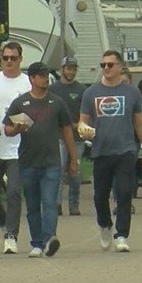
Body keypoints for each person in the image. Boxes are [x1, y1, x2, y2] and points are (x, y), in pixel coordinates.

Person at [80, 50, 142, 253]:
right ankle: (105, 224)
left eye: (110, 65)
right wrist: (83, 131)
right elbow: (83, 121)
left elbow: (140, 123)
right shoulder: (91, 93)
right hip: (101, 150)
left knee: (124, 192)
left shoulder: (131, 93)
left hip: (126, 150)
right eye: (103, 65)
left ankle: (122, 235)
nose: (106, 68)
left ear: (120, 67)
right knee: (99, 196)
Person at [5, 62, 78, 257]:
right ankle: (36, 242)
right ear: (32, 78)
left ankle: (49, 239)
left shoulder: (56, 102)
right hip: (28, 161)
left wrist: (73, 158)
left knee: (50, 201)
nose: (45, 79)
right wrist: (17, 128)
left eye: (47, 75)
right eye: (41, 76)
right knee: (32, 204)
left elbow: (66, 131)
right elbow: (7, 129)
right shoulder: (21, 103)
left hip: (51, 162)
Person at [0, 41, 32, 253]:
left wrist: (20, 124)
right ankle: (4, 224)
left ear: (21, 59)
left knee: (13, 191)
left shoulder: (27, 83)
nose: (9, 62)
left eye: (13, 58)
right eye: (5, 58)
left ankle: (12, 235)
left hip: (18, 148)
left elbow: (34, 112)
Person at [49, 56, 87, 216]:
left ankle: (74, 204)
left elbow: (86, 112)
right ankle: (56, 203)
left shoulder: (82, 90)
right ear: (62, 69)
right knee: (58, 170)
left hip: (77, 138)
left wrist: (80, 124)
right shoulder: (53, 89)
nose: (71, 72)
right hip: (58, 137)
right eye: (68, 68)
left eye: (73, 69)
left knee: (74, 171)